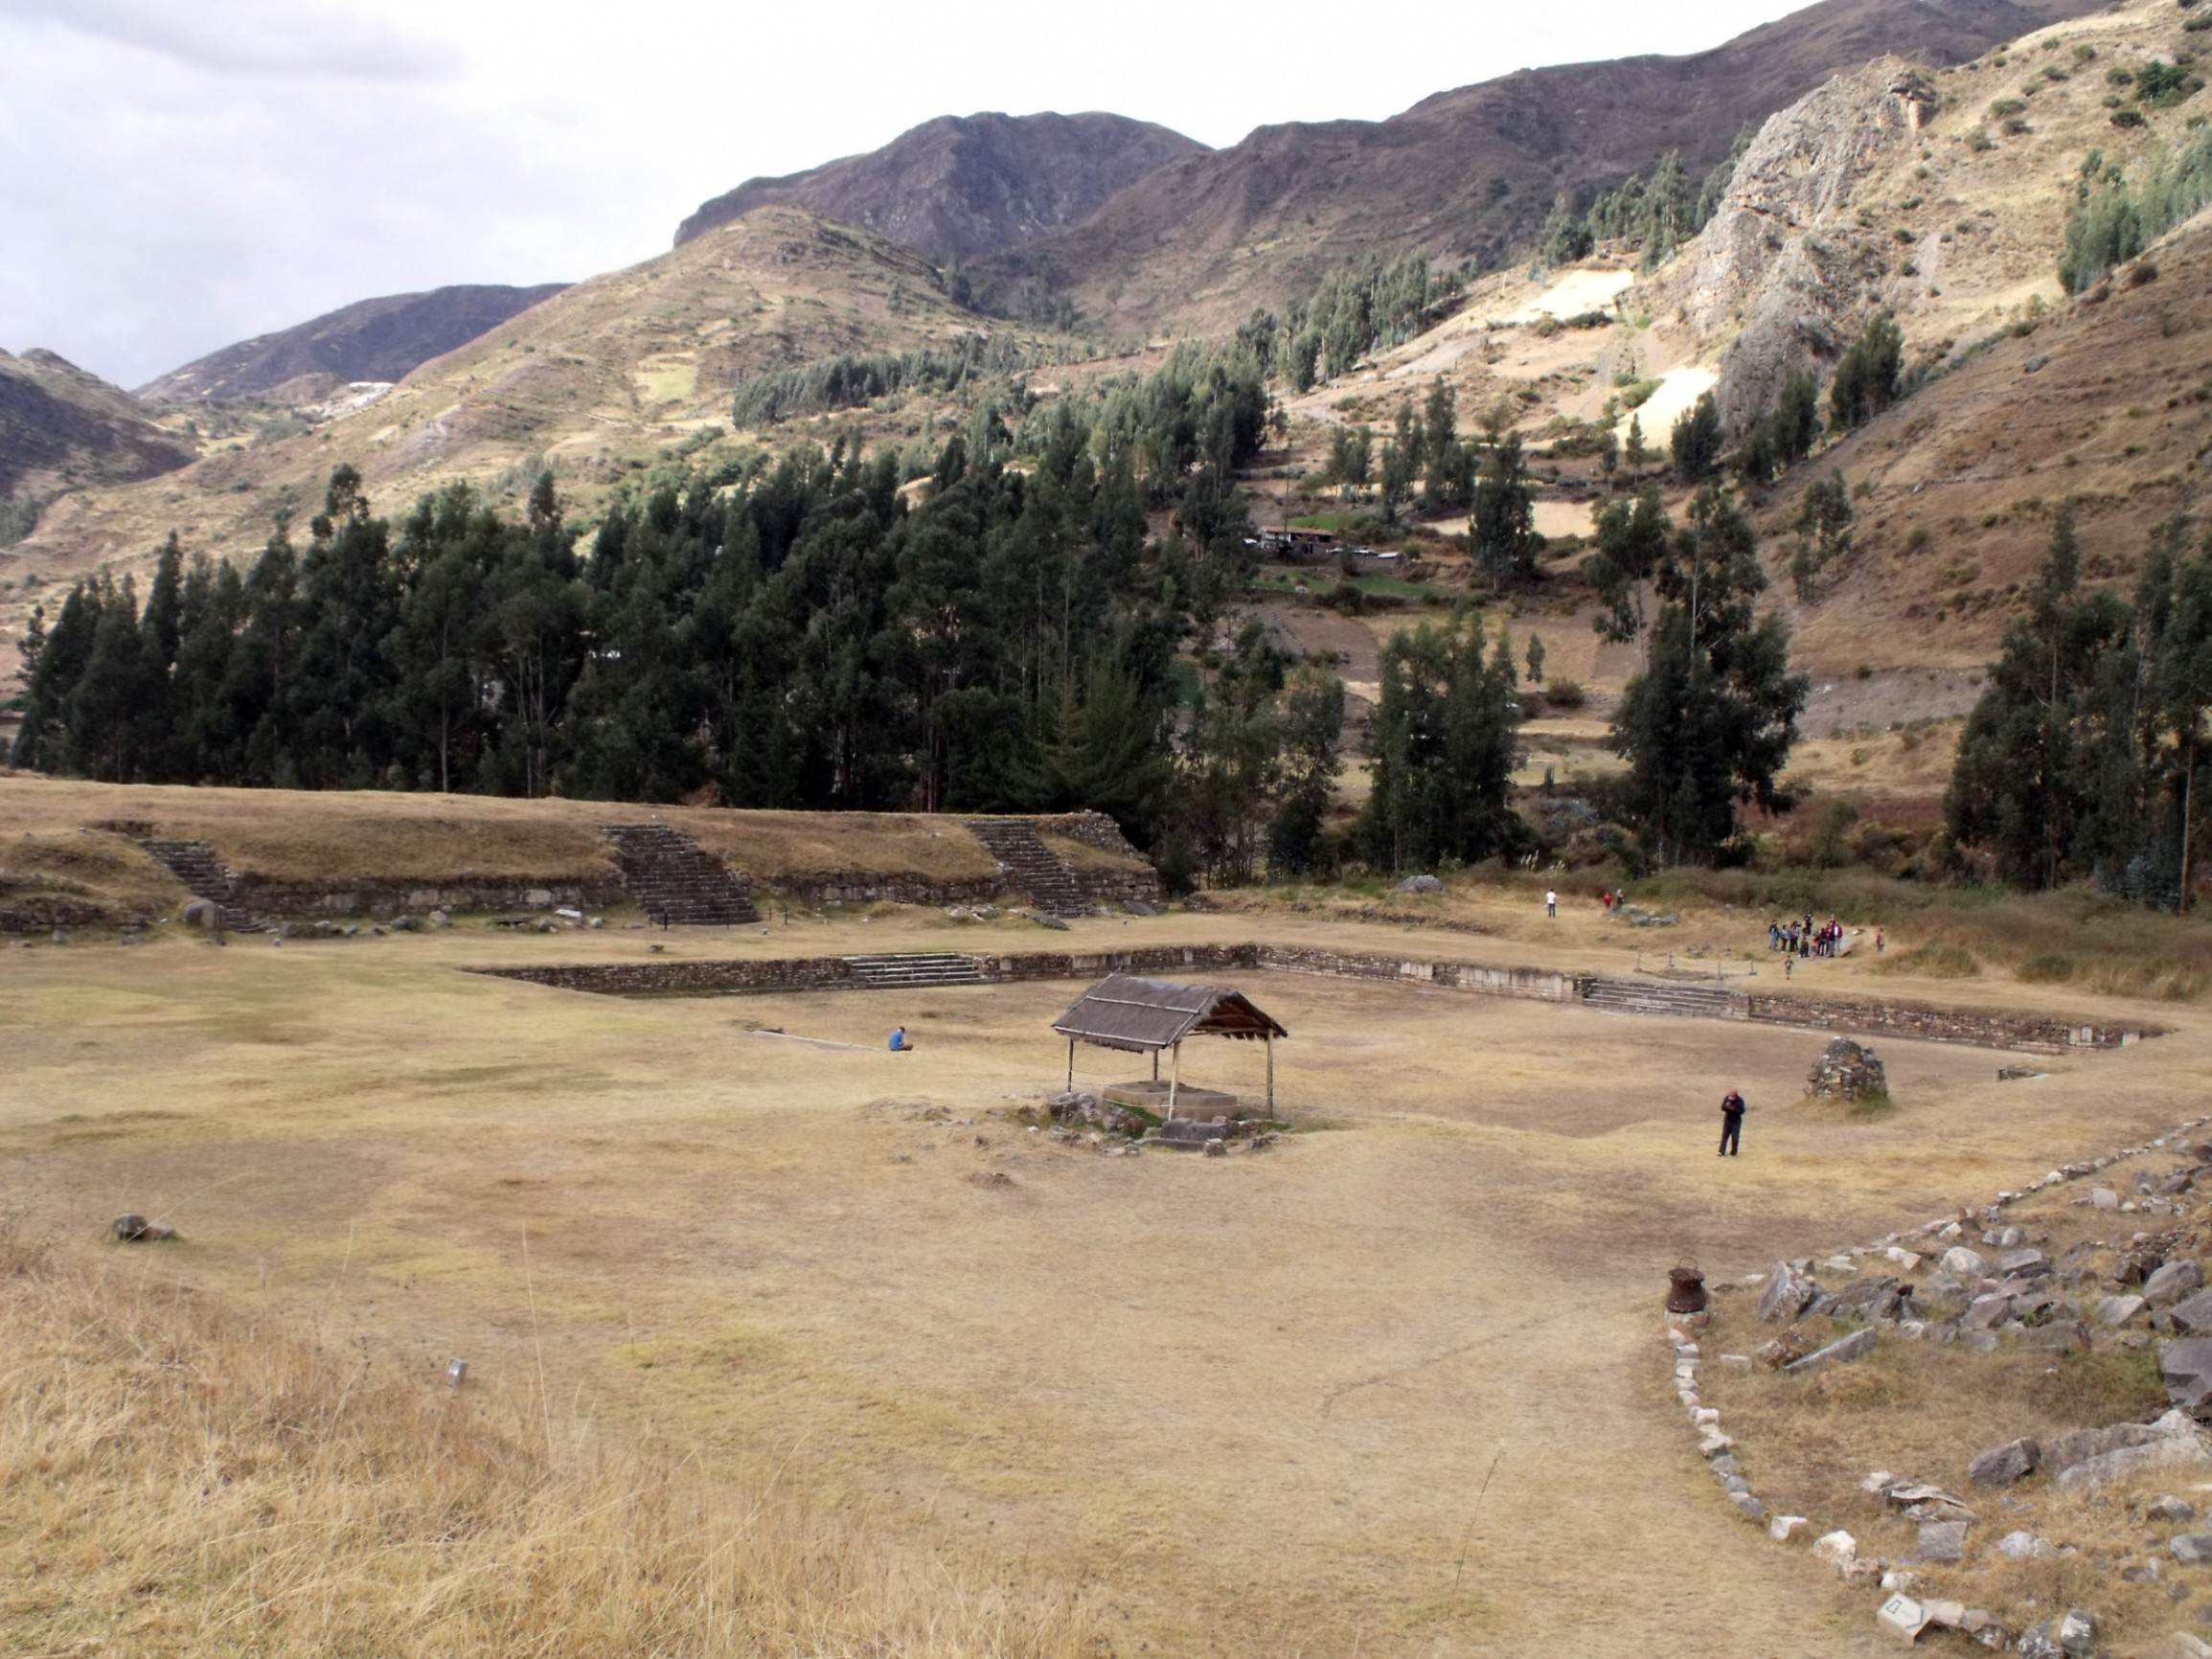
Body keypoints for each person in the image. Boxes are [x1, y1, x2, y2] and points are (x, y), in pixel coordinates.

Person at [1719, 1089, 1746, 1157]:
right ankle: (1721, 1151)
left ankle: (1733, 1152)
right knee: (1724, 1136)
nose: (1731, 1098)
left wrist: (1734, 1109)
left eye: (1732, 1097)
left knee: (1735, 1137)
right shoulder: (1727, 1098)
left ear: (1736, 1096)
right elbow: (1722, 1107)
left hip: (1736, 1121)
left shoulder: (1740, 1101)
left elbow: (1742, 1111)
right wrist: (1726, 1107)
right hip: (1727, 1120)